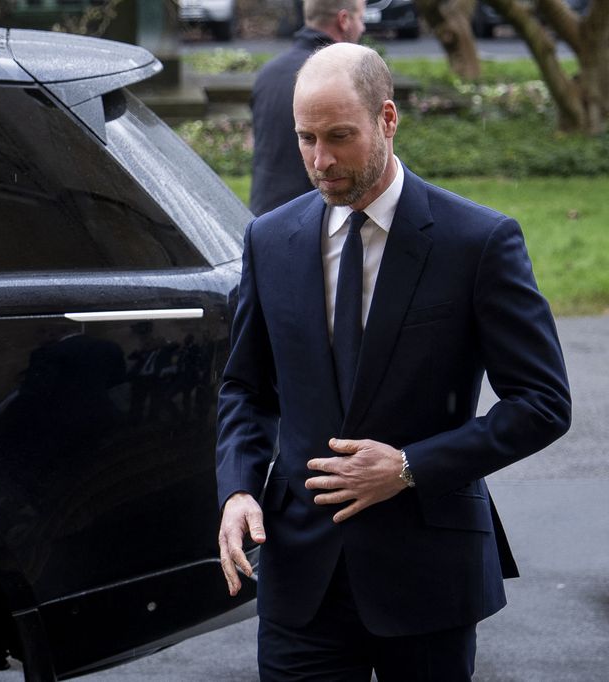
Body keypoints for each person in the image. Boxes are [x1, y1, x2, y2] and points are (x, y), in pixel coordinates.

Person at [216, 43, 571, 680]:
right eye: (306, 138)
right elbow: (245, 388)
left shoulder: (479, 242)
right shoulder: (269, 240)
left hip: (428, 574)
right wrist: (239, 487)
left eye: (340, 137)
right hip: (302, 579)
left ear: (387, 119)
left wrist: (408, 467)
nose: (321, 161)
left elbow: (542, 404)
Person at [249, 0, 366, 216]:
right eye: (360, 18)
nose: (363, 27)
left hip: (263, 216)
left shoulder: (269, 73)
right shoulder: (341, 79)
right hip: (310, 224)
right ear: (344, 20)